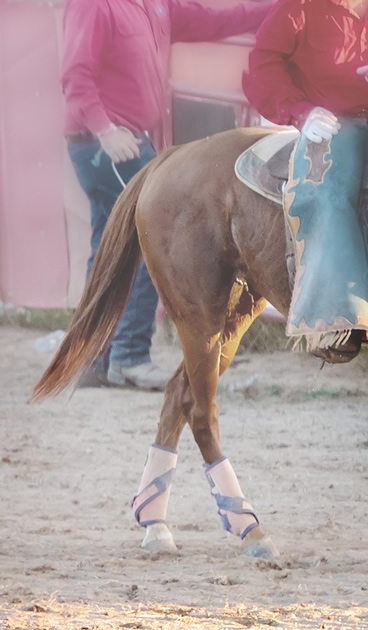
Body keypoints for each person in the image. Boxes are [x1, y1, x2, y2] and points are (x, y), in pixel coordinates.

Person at [61, 0, 274, 389]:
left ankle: (96, 359)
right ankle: (128, 356)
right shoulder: (94, 4)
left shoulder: (156, 5)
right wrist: (105, 131)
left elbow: (216, 20)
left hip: (127, 141)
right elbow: (76, 74)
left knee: (110, 244)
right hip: (110, 144)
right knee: (149, 239)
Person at [243, 1, 368, 363]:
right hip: (332, 122)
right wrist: (301, 111)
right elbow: (263, 64)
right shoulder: (298, 7)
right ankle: (334, 317)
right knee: (326, 188)